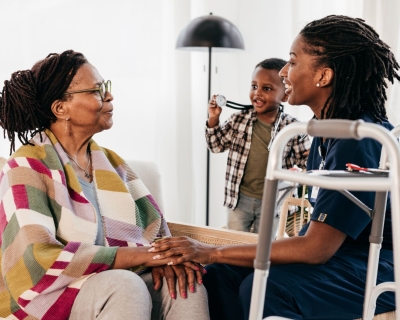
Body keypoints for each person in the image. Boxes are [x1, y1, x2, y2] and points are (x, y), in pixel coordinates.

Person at [149, 15, 400, 319]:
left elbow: (316, 248)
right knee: (220, 274)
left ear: (323, 76)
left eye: (292, 63)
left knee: (263, 285)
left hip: (378, 264)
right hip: (340, 257)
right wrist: (213, 256)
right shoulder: (325, 131)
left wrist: (209, 249)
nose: (283, 73)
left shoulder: (357, 140)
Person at [0, 50, 210, 320]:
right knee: (124, 284)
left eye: (105, 87)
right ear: (60, 108)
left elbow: (156, 233)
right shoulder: (26, 167)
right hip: (47, 295)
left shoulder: (113, 164)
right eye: (97, 90)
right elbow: (35, 259)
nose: (109, 96)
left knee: (184, 286)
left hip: (108, 283)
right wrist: (142, 257)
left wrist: (164, 259)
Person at [206, 58, 310, 234]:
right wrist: (213, 118)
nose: (257, 93)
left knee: (264, 249)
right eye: (254, 86)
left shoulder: (293, 129)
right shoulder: (238, 119)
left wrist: (297, 176)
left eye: (267, 88)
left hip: (273, 202)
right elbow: (216, 146)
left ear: (285, 95)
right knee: (236, 244)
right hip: (238, 200)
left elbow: (307, 165)